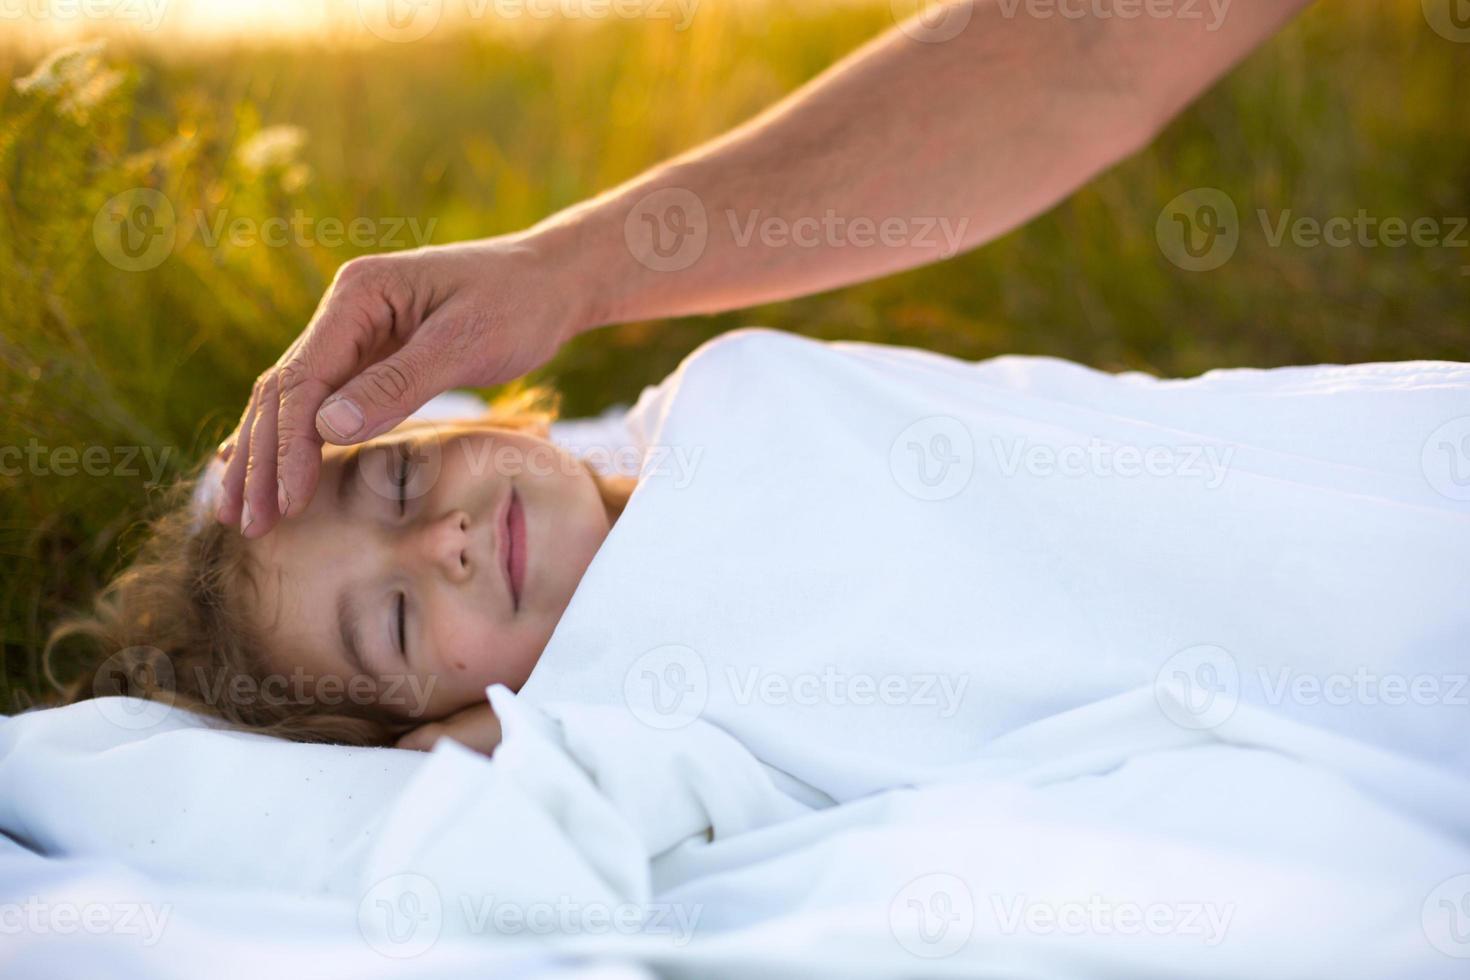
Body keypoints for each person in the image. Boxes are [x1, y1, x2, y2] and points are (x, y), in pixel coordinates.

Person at [214, 0, 1312, 539]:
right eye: (395, 626)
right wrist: (557, 271)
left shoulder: (714, 422)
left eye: (403, 483)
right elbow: (1089, 50)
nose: (445, 546)